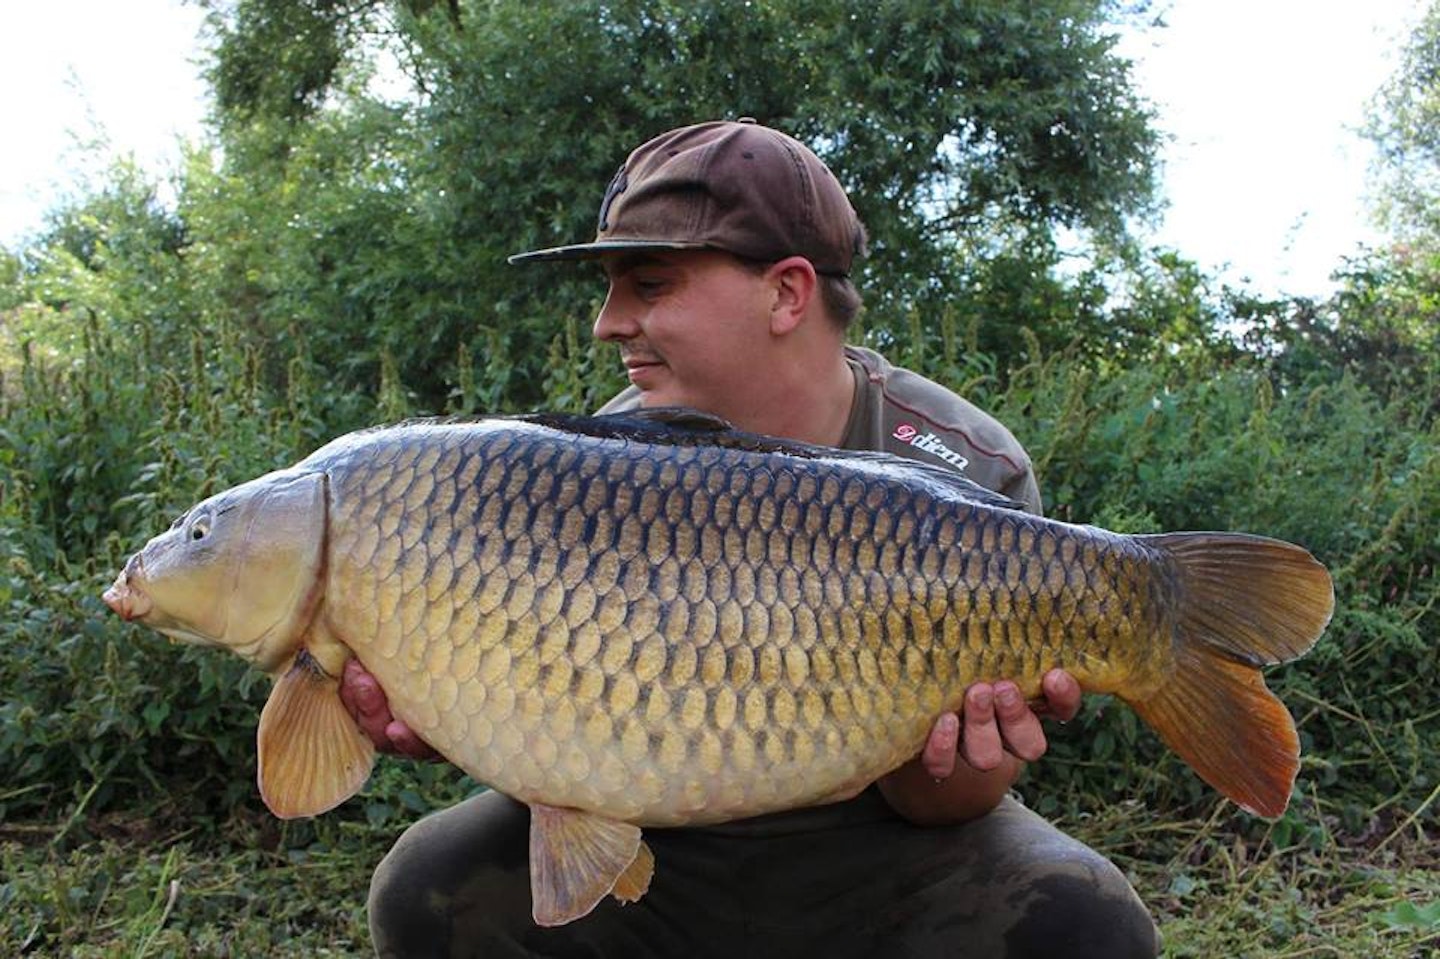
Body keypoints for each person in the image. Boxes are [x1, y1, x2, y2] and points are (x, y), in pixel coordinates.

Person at [342, 119, 1161, 958]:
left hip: (883, 854)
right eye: (612, 289)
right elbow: (555, 720)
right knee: (425, 889)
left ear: (787, 293)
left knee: (1087, 925)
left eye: (649, 284)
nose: (608, 322)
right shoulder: (586, 466)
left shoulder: (966, 468)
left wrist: (963, 749)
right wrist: (455, 705)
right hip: (658, 845)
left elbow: (946, 801)